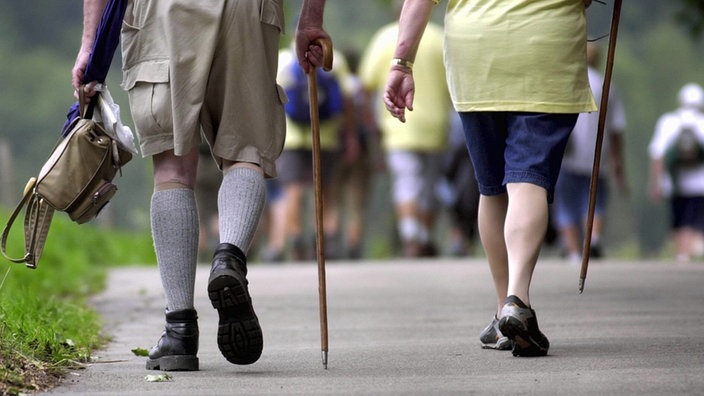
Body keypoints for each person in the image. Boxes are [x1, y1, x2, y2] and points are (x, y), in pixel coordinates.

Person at [73, 0, 309, 371]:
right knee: (245, 150)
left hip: (161, 11)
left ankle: (179, 330)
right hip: (248, 10)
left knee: (172, 166)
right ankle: (228, 256)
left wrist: (91, 46)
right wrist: (310, 18)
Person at [384, 0, 596, 356]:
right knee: (528, 180)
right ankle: (517, 300)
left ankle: (503, 313)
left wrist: (402, 62)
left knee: (493, 187)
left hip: (476, 51)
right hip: (546, 48)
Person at [359, 7, 450, 257]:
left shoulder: (385, 37)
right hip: (436, 125)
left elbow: (365, 88)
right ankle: (426, 237)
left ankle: (411, 237)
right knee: (430, 185)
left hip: (398, 126)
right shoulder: (440, 37)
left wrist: (372, 125)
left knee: (407, 181)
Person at [552, 41, 628, 263]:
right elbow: (616, 127)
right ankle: (593, 239)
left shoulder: (567, 81)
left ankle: (574, 251)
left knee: (566, 205)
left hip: (567, 155)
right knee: (594, 202)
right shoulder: (606, 85)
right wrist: (617, 161)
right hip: (597, 156)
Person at [648, 83, 704, 263]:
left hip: (674, 182)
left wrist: (655, 183)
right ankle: (688, 254)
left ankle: (682, 255)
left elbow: (657, 154)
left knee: (679, 219)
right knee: (692, 219)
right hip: (700, 184)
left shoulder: (669, 121)